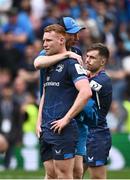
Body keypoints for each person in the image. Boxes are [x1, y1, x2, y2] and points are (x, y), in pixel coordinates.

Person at [34, 24, 92, 179]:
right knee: (51, 174)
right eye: (43, 40)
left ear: (61, 40)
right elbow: (46, 93)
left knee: (65, 175)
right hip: (46, 127)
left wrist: (66, 119)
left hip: (62, 129)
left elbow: (86, 92)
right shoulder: (49, 62)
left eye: (48, 40)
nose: (44, 44)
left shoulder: (72, 63)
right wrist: (38, 121)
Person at [83, 43, 112, 179]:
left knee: (97, 177)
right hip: (82, 132)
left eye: (92, 57)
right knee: (74, 174)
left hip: (96, 133)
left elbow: (84, 87)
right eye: (87, 56)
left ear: (102, 61)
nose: (87, 60)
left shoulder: (103, 80)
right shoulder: (88, 78)